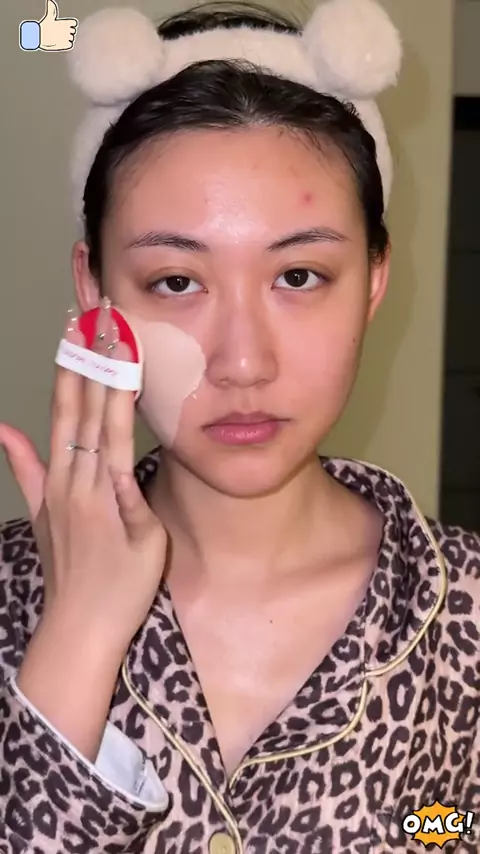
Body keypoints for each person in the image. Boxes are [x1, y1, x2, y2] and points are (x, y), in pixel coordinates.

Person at [0, 1, 478, 852]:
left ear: (373, 280)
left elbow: (452, 831)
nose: (244, 363)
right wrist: (76, 638)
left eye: (299, 275)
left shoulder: (464, 616)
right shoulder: (12, 600)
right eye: (177, 282)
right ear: (96, 290)